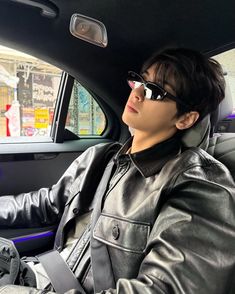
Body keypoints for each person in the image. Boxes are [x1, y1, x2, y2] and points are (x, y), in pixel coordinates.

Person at [0, 48, 235, 294]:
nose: (137, 93)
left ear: (185, 119)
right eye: (141, 81)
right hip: (38, 272)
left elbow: (166, 289)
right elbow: (45, 203)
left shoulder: (199, 185)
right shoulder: (101, 157)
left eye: (155, 90)